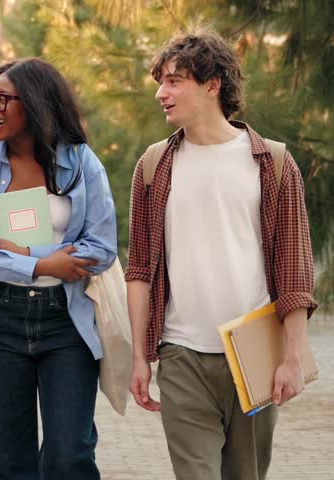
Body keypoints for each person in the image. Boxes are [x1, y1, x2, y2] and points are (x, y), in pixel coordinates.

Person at [126, 30, 318, 480]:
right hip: (181, 355)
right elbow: (139, 271)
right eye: (161, 82)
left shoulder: (272, 163)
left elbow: (294, 270)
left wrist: (292, 357)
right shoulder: (154, 166)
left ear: (212, 84)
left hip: (256, 355)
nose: (161, 93)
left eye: (174, 81)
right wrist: (139, 356)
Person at [0, 58, 117, 479]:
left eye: (4, 98)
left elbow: (102, 247)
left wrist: (22, 250)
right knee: (8, 463)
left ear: (38, 103)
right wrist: (42, 262)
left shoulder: (80, 164)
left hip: (67, 321)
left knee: (69, 457)